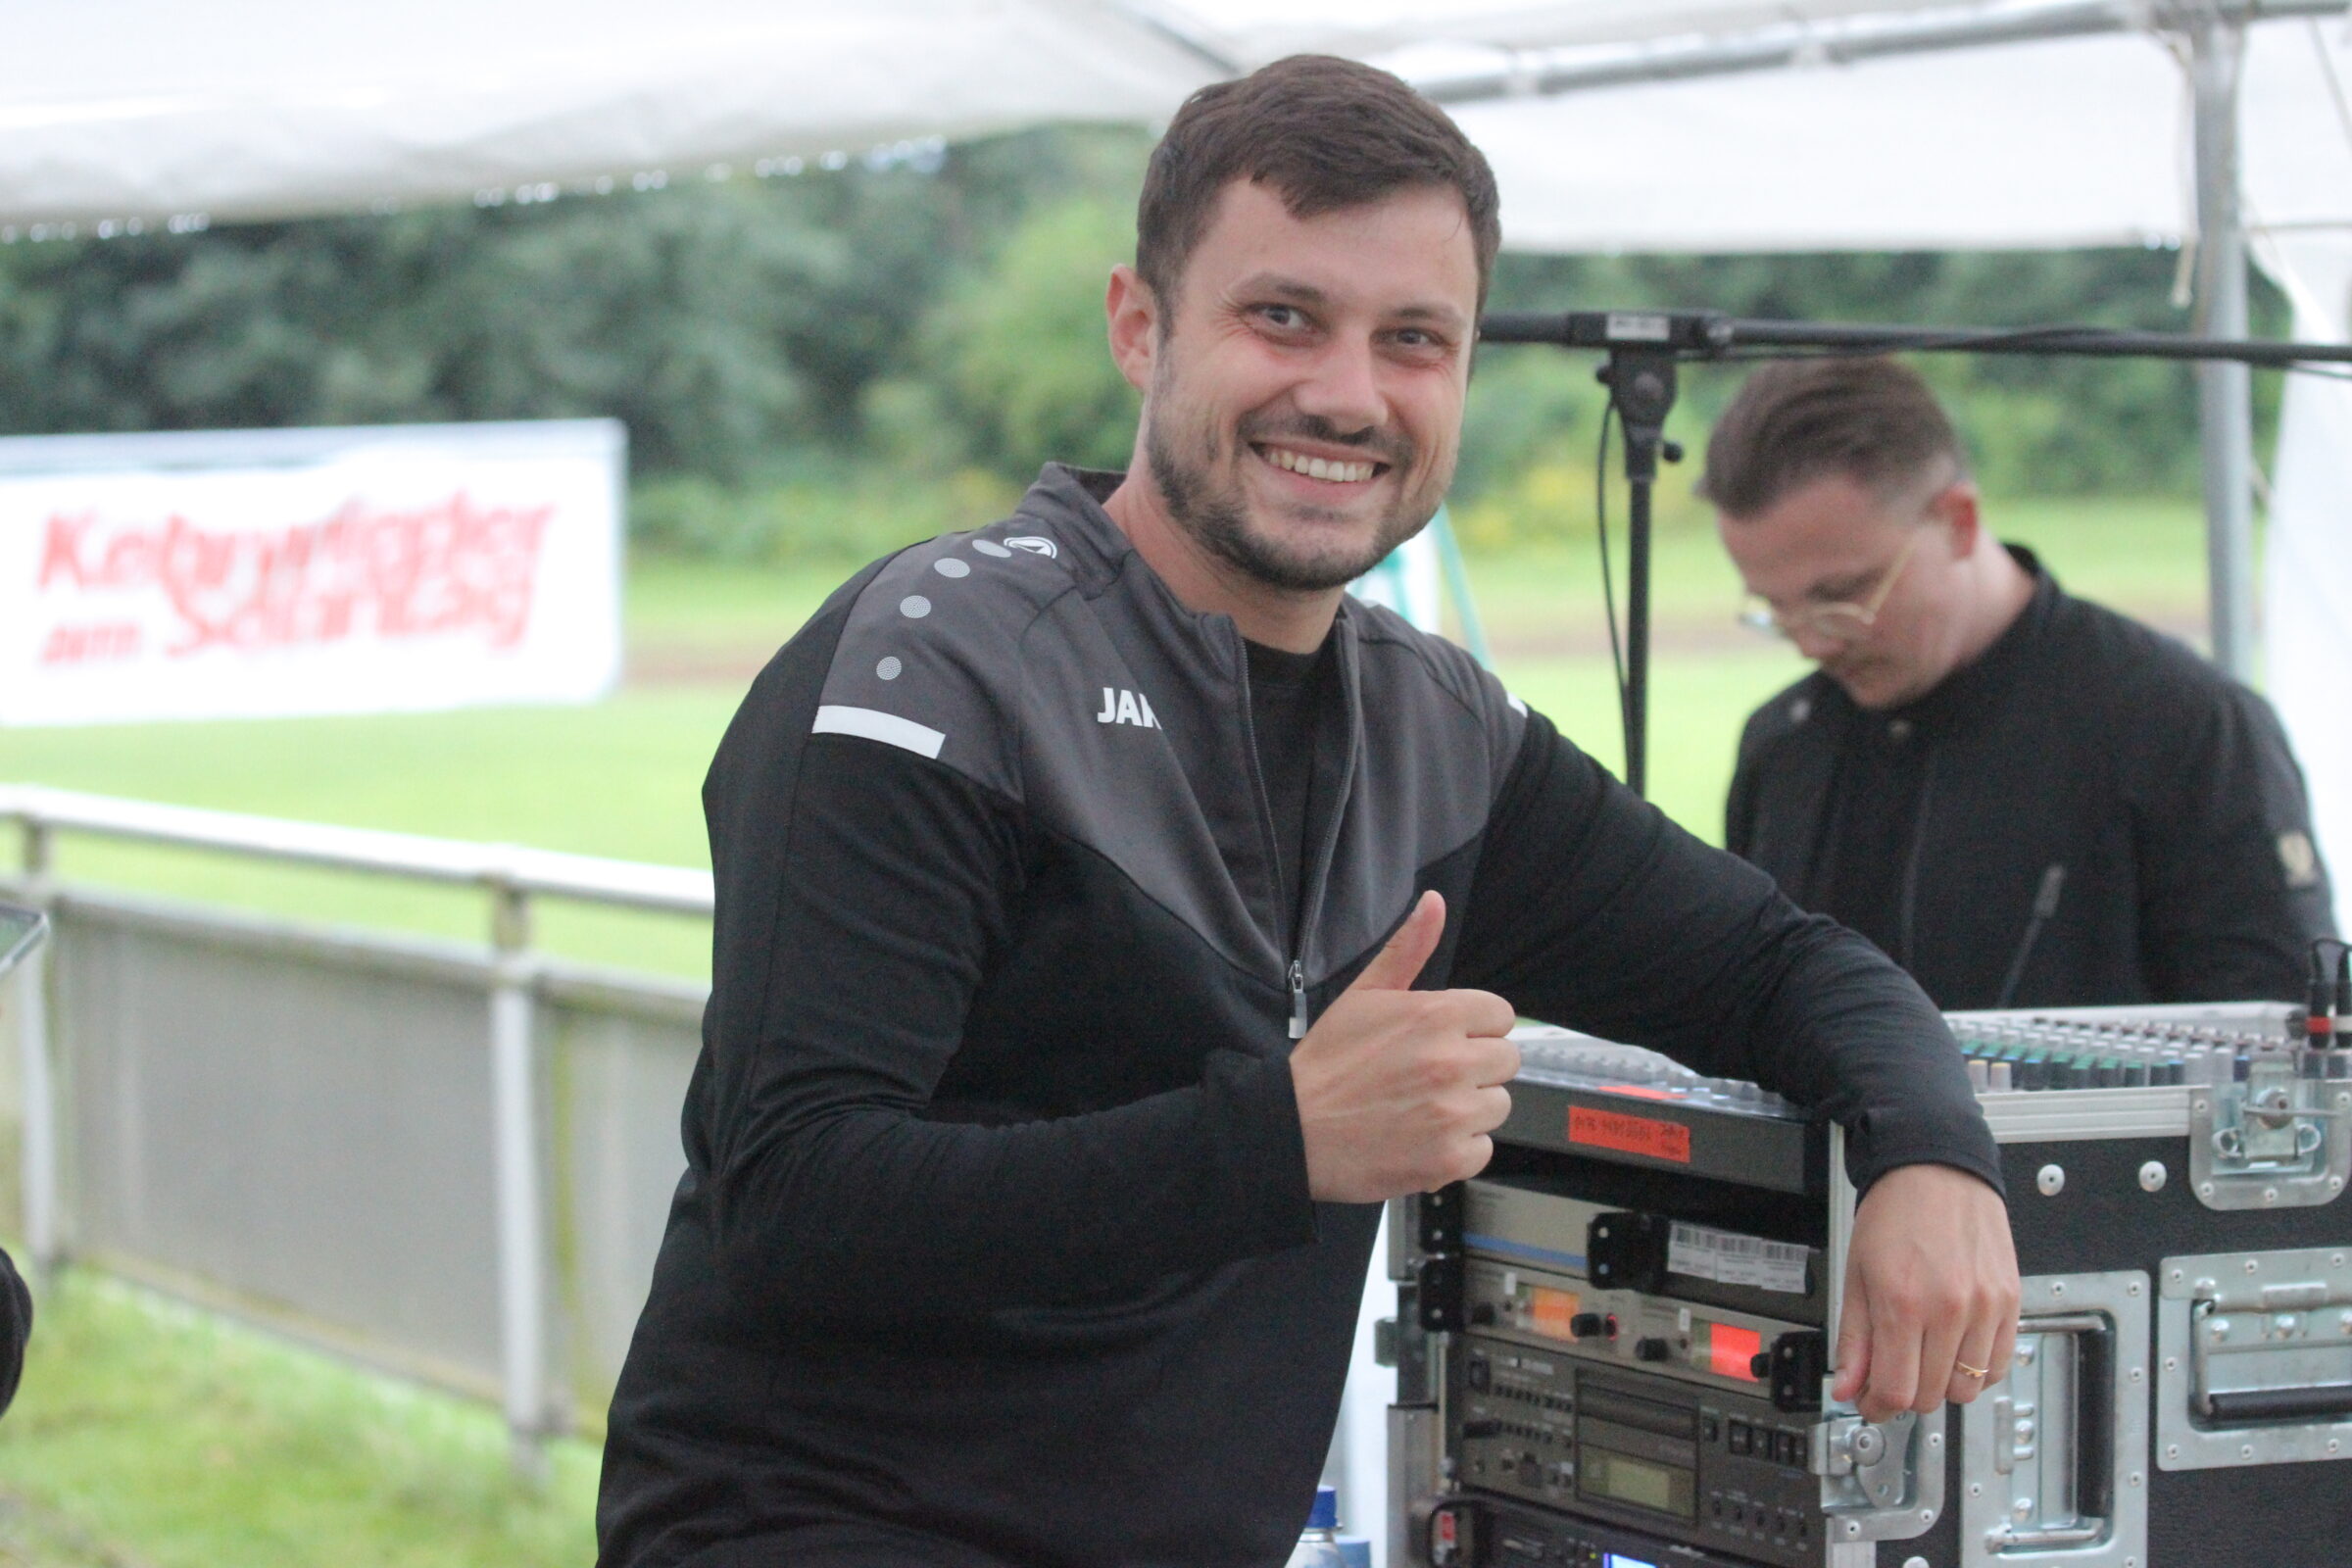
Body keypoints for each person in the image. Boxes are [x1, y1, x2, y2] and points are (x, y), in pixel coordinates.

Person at [597, 58, 2018, 1568]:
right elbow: (799, 1199)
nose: (1348, 394)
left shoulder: (1441, 733)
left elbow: (1779, 966)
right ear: (1139, 328)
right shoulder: (940, 665)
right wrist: (1278, 1139)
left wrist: (1934, 1154)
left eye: (1414, 339)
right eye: (1283, 317)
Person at [1712, 356, 2334, 1010]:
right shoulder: (1783, 747)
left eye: (1842, 596)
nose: (1813, 643)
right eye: (1776, 609)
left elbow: (2278, 1029)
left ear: (1959, 521)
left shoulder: (2183, 726)